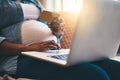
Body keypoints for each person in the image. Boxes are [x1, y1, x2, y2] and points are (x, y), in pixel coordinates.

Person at [0, 0, 120, 80]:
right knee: (95, 75)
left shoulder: (33, 2)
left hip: (52, 52)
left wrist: (57, 32)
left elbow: (45, 27)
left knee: (115, 68)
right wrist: (28, 48)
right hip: (20, 58)